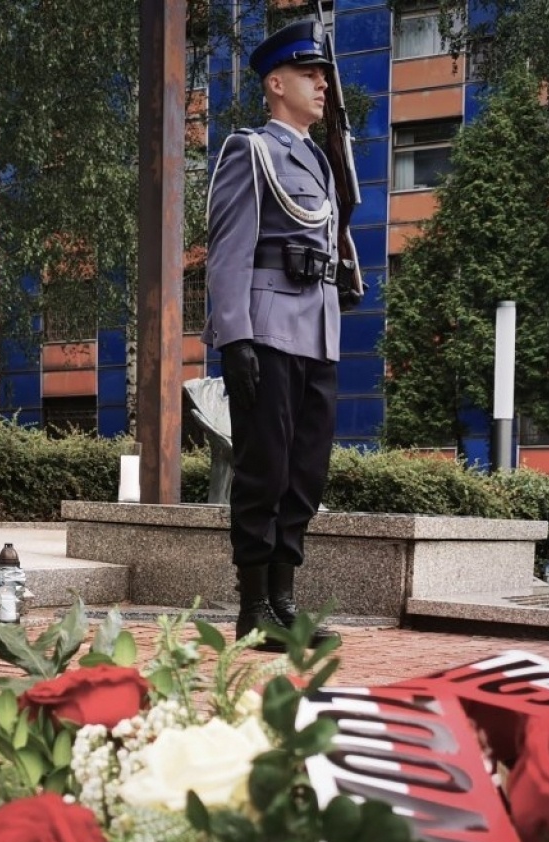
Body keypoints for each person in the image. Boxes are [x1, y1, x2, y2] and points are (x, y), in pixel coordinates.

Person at [203, 17, 340, 648]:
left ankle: (285, 604)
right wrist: (234, 339)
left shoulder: (318, 158)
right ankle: (253, 606)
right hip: (266, 328)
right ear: (276, 83)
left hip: (316, 332)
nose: (322, 86)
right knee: (266, 468)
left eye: (324, 77)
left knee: (305, 471)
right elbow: (228, 250)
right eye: (310, 76)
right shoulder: (250, 150)